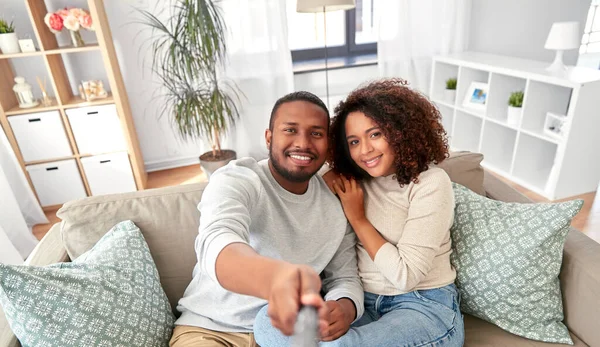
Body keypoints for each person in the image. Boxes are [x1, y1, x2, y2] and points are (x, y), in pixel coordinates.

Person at [170, 91, 364, 347]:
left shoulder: (336, 200)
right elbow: (217, 239)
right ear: (269, 137)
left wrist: (345, 307)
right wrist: (276, 279)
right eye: (290, 130)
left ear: (327, 144)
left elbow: (344, 277)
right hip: (212, 329)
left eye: (316, 133)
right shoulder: (238, 179)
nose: (303, 143)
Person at [324, 78, 464, 346]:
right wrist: (326, 174)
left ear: (400, 132)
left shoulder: (430, 183)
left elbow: (405, 276)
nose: (365, 150)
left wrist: (358, 218)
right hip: (362, 302)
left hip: (423, 304)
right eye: (353, 141)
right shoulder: (356, 180)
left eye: (375, 134)